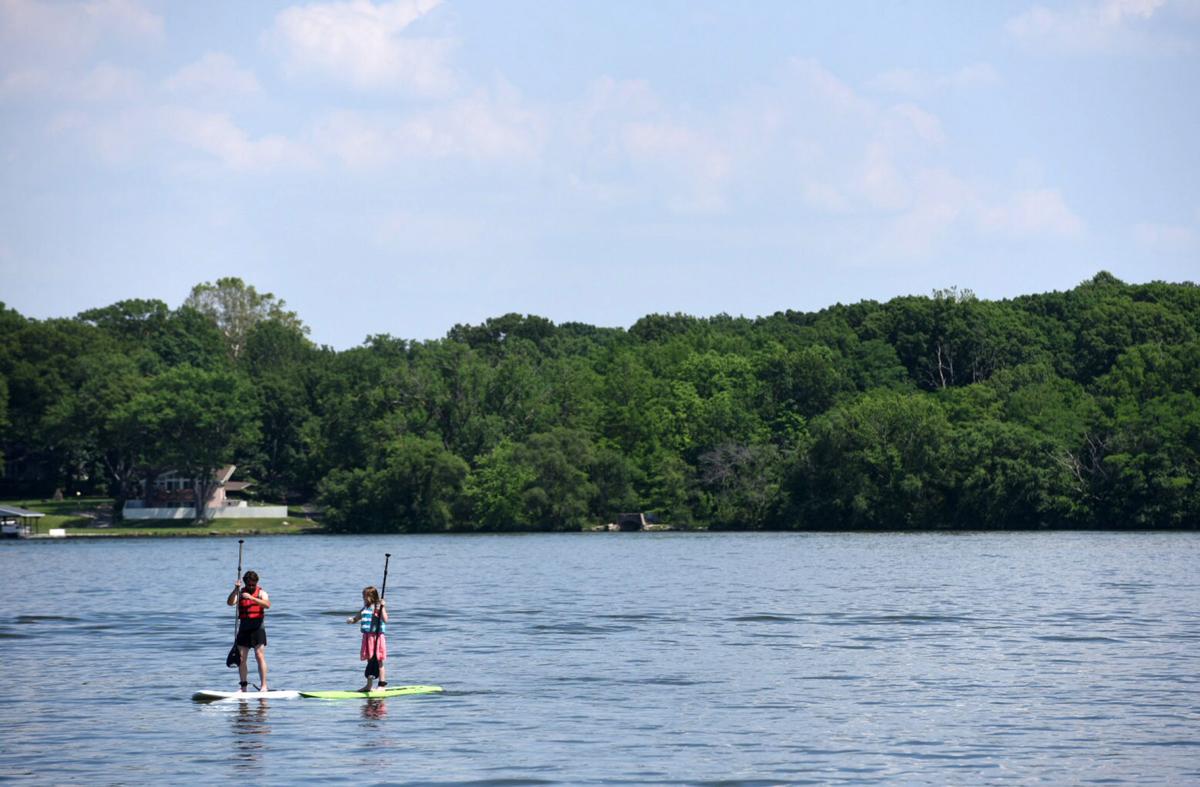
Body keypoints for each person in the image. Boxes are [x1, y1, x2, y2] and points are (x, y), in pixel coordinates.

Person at [226, 570, 270, 692]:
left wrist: (251, 598)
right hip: (244, 629)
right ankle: (243, 687)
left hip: (257, 628)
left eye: (253, 584)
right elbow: (230, 603)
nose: (251, 587)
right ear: (245, 583)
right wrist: (235, 589)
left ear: (256, 583)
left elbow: (267, 605)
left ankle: (264, 686)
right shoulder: (240, 593)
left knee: (259, 656)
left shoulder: (261, 593)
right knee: (242, 659)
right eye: (249, 585)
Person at [346, 586, 388, 692]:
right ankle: (369, 686)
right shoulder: (365, 608)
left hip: (376, 637)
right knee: (370, 660)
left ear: (372, 597)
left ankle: (382, 685)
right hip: (367, 638)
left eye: (365, 596)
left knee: (379, 660)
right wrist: (352, 620)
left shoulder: (378, 607)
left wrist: (382, 607)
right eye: (363, 596)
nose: (363, 598)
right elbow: (356, 618)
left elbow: (385, 619)